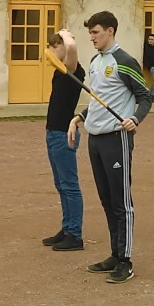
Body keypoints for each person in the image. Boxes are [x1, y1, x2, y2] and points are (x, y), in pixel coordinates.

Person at [67, 11, 153, 284]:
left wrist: (135, 119)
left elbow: (145, 96)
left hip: (117, 138)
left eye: (95, 32)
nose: (92, 38)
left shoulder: (125, 62)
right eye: (90, 33)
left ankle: (125, 260)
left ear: (110, 31)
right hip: (95, 139)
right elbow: (98, 99)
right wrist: (80, 117)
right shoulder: (96, 62)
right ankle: (115, 254)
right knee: (106, 199)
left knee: (121, 202)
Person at [40, 30, 86, 252]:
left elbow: (72, 48)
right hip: (53, 133)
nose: (50, 51)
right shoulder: (59, 71)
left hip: (63, 135)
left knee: (70, 186)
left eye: (54, 46)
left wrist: (65, 35)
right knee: (60, 184)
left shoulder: (73, 70)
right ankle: (67, 228)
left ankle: (75, 235)